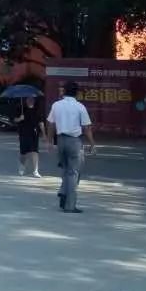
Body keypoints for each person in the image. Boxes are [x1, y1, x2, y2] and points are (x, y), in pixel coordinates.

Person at [46, 81, 95, 213]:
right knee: (74, 172)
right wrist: (92, 144)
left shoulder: (56, 105)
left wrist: (49, 142)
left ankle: (63, 192)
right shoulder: (80, 107)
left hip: (60, 141)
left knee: (65, 169)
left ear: (64, 91)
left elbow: (51, 124)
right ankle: (69, 205)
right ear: (77, 93)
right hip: (74, 141)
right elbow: (86, 128)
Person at [15, 96, 43, 178]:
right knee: (23, 153)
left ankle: (35, 171)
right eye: (29, 99)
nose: (31, 100)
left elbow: (41, 122)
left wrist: (44, 134)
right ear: (26, 100)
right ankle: (22, 166)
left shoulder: (37, 110)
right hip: (23, 133)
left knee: (35, 151)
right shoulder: (21, 108)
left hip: (34, 133)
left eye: (32, 99)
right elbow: (15, 119)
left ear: (34, 100)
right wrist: (20, 118)